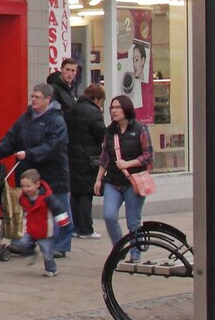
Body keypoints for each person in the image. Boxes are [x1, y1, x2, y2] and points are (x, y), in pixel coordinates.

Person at [96, 92, 154, 258]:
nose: (114, 111)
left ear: (126, 109)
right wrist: (98, 179)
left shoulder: (140, 129)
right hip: (113, 181)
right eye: (112, 108)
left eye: (117, 107)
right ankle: (119, 249)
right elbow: (105, 156)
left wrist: (129, 163)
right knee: (108, 216)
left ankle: (136, 254)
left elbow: (148, 155)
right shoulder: (110, 131)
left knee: (133, 221)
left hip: (133, 181)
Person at [0, 83, 70, 195]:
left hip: (52, 179)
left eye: (37, 97)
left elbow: (52, 147)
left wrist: (28, 154)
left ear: (48, 99)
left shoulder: (57, 121)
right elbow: (12, 137)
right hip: (27, 178)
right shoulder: (25, 118)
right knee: (29, 210)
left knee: (58, 211)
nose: (33, 100)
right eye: (32, 96)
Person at [10, 167, 72, 276]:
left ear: (37, 184)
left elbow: (58, 208)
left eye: (28, 186)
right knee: (23, 244)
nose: (25, 189)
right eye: (23, 186)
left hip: (45, 231)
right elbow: (23, 207)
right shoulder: (23, 198)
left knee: (47, 253)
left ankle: (51, 269)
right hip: (30, 228)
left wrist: (63, 222)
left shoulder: (47, 198)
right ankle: (32, 251)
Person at [66, 82, 107, 239]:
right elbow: (100, 133)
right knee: (85, 193)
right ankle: (86, 229)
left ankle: (76, 227)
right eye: (101, 100)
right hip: (88, 157)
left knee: (75, 192)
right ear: (96, 98)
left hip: (73, 154)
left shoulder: (74, 107)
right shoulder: (94, 112)